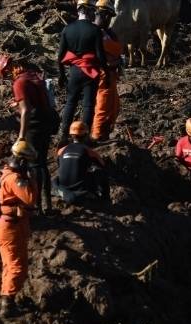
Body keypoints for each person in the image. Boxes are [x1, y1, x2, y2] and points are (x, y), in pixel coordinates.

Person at [0, 54, 56, 212]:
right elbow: (33, 99)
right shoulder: (30, 75)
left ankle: (36, 204)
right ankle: (46, 203)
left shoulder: (19, 83)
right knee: (42, 163)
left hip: (34, 125)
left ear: (7, 70)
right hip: (47, 120)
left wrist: (21, 135)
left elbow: (26, 110)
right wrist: (18, 103)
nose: (8, 78)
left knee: (34, 164)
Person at [0, 140, 39, 317]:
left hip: (1, 225)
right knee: (17, 267)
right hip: (10, 228)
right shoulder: (15, 179)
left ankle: (6, 295)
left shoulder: (1, 174)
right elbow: (30, 199)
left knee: (9, 265)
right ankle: (7, 303)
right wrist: (30, 178)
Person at [57, 0, 104, 142]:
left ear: (78, 10)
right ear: (90, 11)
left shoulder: (67, 29)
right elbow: (101, 56)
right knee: (88, 104)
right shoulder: (95, 30)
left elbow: (60, 56)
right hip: (90, 72)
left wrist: (61, 75)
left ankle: (64, 134)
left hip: (74, 72)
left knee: (71, 102)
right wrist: (105, 72)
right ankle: (84, 137)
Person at [53, 121, 109, 205]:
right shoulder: (89, 151)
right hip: (80, 190)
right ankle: (105, 199)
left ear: (71, 135)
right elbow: (102, 166)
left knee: (55, 179)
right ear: (86, 135)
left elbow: (60, 165)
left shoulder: (61, 150)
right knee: (99, 172)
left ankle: (61, 192)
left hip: (63, 186)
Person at [91, 0, 123, 141]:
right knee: (102, 107)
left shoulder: (108, 33)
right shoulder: (94, 32)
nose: (110, 20)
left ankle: (105, 133)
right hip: (103, 74)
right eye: (109, 17)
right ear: (104, 15)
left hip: (111, 74)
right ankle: (97, 136)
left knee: (114, 107)